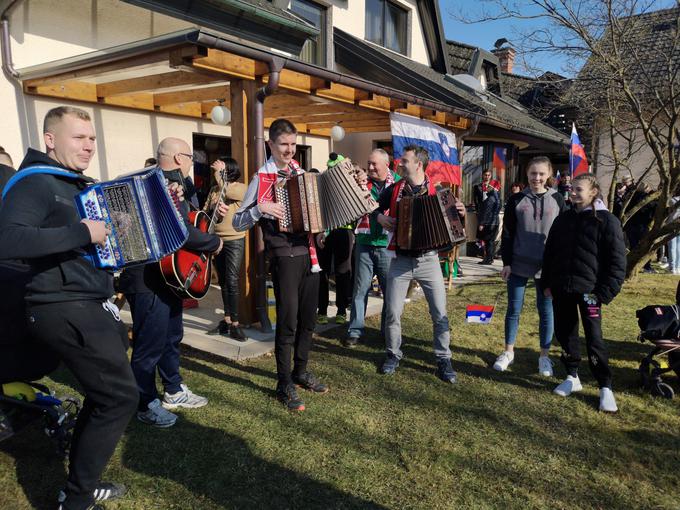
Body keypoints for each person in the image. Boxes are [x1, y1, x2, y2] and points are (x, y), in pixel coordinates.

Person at [0, 106, 138, 510]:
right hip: (60, 304)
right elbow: (8, 240)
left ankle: (80, 484)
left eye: (92, 138)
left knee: (106, 393)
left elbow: (77, 243)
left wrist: (112, 235)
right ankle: (76, 498)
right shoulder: (36, 183)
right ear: (50, 139)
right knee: (119, 396)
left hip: (85, 300)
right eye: (79, 137)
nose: (89, 145)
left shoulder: (75, 186)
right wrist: (83, 232)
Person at [118, 137, 225, 428]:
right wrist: (213, 242)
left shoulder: (177, 185)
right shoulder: (156, 186)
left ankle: (174, 390)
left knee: (170, 337)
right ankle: (145, 403)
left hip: (167, 278)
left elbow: (188, 221)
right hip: (147, 279)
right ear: (179, 158)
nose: (193, 161)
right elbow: (180, 233)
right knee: (148, 346)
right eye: (191, 156)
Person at [233, 118, 327, 412]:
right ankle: (283, 382)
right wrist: (261, 208)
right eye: (283, 144)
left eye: (292, 144)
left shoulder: (303, 173)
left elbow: (318, 209)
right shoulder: (261, 178)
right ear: (270, 145)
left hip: (310, 255)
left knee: (308, 320)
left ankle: (300, 371)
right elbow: (238, 220)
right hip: (284, 255)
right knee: (288, 320)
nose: (289, 150)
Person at [376, 145, 465, 383]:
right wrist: (380, 216)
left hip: (430, 260)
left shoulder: (439, 191)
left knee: (439, 313)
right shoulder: (395, 190)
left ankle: (443, 358)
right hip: (400, 260)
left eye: (404, 160)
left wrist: (461, 211)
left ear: (418, 164)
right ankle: (393, 354)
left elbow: (456, 225)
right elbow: (374, 206)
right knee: (393, 312)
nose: (400, 164)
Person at [542, 173, 626, 412]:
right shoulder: (563, 219)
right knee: (566, 332)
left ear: (593, 192)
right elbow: (550, 253)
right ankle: (572, 376)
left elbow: (618, 262)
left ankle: (605, 386)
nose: (573, 193)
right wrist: (547, 282)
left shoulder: (607, 221)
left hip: (591, 293)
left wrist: (604, 292)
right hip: (562, 289)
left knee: (594, 337)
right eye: (572, 188)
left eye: (579, 189)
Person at [493, 156, 567, 376]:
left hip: (547, 267)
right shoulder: (516, 199)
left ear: (549, 175)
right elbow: (507, 234)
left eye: (541, 174)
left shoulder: (559, 199)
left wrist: (560, 264)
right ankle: (508, 352)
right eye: (533, 173)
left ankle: (544, 357)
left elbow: (563, 236)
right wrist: (506, 262)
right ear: (527, 174)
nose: (537, 178)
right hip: (518, 264)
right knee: (513, 309)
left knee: (546, 312)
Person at [345, 149, 401, 347]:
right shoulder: (361, 182)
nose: (369, 168)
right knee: (360, 290)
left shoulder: (399, 185)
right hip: (364, 243)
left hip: (387, 245)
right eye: (368, 164)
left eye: (374, 164)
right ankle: (355, 330)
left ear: (387, 165)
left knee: (389, 291)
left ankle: (387, 331)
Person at [204, 156, 248, 340]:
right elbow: (204, 211)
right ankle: (227, 320)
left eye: (221, 168)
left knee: (232, 280)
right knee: (222, 281)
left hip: (234, 239)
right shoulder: (215, 189)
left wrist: (219, 175)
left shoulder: (240, 187)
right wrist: (213, 206)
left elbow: (227, 190)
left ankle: (236, 325)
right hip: (217, 240)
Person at [317, 154, 356, 326]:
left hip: (344, 232)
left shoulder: (352, 183)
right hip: (324, 232)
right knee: (322, 272)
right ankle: (322, 310)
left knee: (342, 272)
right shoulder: (322, 183)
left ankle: (341, 309)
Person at [475, 177, 501, 265]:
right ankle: (490, 258)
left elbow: (486, 212)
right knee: (491, 241)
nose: (487, 187)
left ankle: (488, 259)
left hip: (489, 223)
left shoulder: (491, 197)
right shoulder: (497, 197)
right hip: (494, 222)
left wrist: (482, 223)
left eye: (489, 186)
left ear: (492, 187)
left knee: (488, 241)